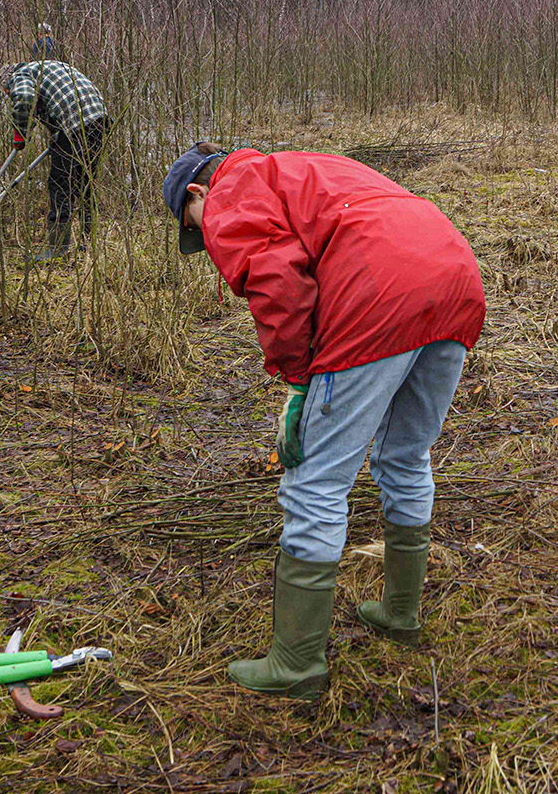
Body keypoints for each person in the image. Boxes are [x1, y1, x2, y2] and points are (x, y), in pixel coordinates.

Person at [161, 144, 485, 699]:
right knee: (405, 456)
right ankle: (400, 615)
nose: (205, 235)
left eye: (196, 226)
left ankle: (296, 664)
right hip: (454, 279)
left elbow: (277, 282)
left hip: (378, 297)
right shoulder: (302, 167)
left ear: (197, 194)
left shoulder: (231, 190)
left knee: (315, 486)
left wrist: (298, 378)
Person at [5, 60, 108, 261]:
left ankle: (58, 248)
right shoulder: (48, 67)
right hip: (98, 119)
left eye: (7, 92)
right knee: (86, 184)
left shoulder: (20, 75)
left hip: (75, 125)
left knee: (60, 184)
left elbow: (24, 99)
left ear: (8, 82)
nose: (9, 95)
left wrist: (20, 133)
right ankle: (90, 242)